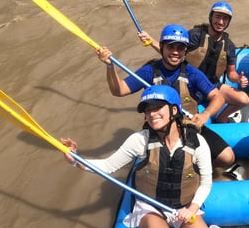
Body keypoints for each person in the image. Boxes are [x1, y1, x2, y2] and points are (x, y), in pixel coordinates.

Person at [60, 85, 236, 228]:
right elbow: (107, 166)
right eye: (147, 109)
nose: (152, 114)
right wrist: (76, 160)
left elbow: (206, 181)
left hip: (183, 206)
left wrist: (192, 208)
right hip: (150, 207)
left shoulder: (197, 142)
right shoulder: (139, 140)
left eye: (157, 107)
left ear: (174, 109)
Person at [96, 24, 235, 168]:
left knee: (227, 157)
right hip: (158, 129)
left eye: (180, 48)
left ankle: (197, 170)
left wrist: (205, 115)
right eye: (170, 47)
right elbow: (119, 90)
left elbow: (218, 97)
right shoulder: (149, 71)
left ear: (185, 50)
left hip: (188, 127)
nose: (175, 52)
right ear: (161, 47)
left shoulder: (192, 73)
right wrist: (110, 67)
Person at [183, 1, 249, 122]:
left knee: (244, 99)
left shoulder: (229, 45)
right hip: (190, 85)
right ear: (211, 17)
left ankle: (221, 119)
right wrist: (150, 41)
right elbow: (173, 51)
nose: (220, 22)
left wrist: (239, 79)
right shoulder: (194, 35)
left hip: (212, 86)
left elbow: (231, 73)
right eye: (218, 17)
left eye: (225, 19)